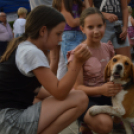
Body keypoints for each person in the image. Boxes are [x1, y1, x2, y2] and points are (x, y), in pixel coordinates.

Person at [0, 6, 91, 134]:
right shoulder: (32, 52)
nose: (60, 39)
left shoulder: (22, 46)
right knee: (80, 98)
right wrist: (77, 62)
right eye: (58, 33)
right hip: (9, 121)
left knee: (53, 96)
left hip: (5, 119)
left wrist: (68, 92)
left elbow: (36, 90)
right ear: (43, 31)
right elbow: (60, 92)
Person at [68, 7, 122, 134]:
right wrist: (101, 89)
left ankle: (117, 121)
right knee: (105, 125)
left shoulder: (107, 48)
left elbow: (110, 75)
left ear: (104, 25)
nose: (96, 31)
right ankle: (85, 122)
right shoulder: (78, 53)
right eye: (90, 27)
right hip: (86, 99)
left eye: (99, 26)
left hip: (107, 96)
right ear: (82, 29)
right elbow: (78, 87)